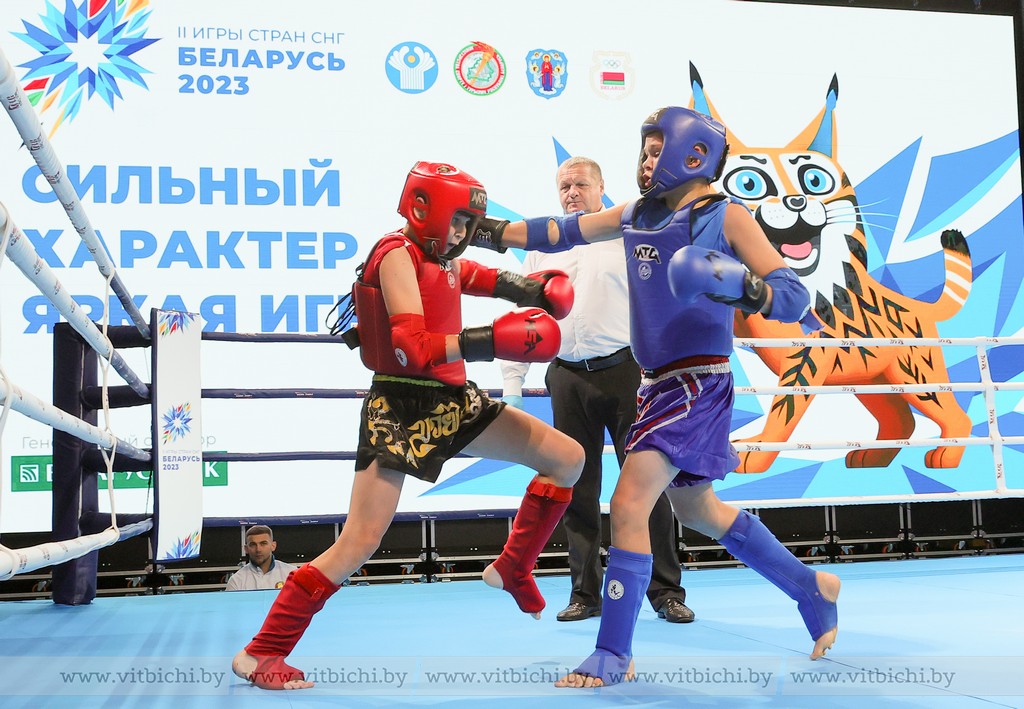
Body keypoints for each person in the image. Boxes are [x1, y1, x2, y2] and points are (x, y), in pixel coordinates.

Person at [470, 107, 840, 687]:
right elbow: (560, 232)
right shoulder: (636, 215)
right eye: (643, 152)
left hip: (698, 382)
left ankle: (613, 653)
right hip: (655, 383)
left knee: (629, 503)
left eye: (655, 151)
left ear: (693, 155)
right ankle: (811, 586)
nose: (646, 163)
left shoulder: (725, 215)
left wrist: (745, 287)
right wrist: (487, 231)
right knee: (698, 510)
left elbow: (792, 296)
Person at [231, 161, 585, 690]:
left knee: (567, 459)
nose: (462, 233)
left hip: (454, 401)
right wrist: (493, 340)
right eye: (457, 220)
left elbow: (475, 276)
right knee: (359, 541)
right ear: (425, 210)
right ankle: (262, 651)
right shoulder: (395, 254)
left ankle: (514, 565)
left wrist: (530, 291)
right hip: (400, 407)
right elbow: (412, 348)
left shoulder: (440, 257)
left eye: (469, 223)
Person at [500, 156, 692, 624]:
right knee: (575, 488)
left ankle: (666, 592)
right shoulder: (543, 248)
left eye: (580, 184)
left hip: (628, 372)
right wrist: (512, 385)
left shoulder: (629, 235)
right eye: (564, 185)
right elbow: (524, 318)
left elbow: (661, 302)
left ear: (601, 187)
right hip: (566, 375)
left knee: (648, 484)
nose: (571, 192)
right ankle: (585, 593)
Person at [225, 525, 298, 591]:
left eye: (263, 543)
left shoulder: (292, 573)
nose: (258, 549)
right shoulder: (236, 581)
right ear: (246, 549)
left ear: (273, 546)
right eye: (253, 544)